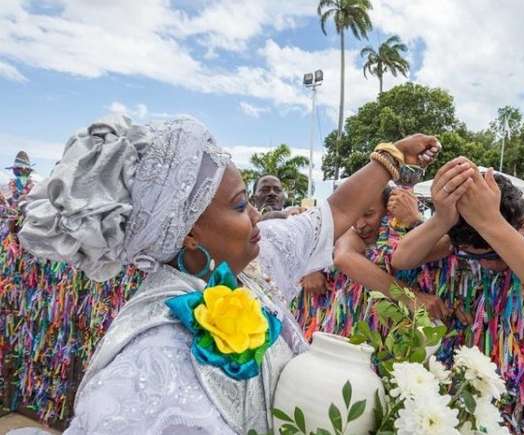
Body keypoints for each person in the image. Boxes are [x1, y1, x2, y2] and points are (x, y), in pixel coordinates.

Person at [19, 115, 439, 434]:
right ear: (187, 232)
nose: (258, 214)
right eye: (240, 206)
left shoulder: (254, 265)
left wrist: (393, 155)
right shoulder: (149, 364)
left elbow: (337, 211)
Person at [392, 159, 524, 327]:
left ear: (520, 226)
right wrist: (442, 219)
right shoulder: (468, 231)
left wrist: (492, 223)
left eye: (493, 254)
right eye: (474, 256)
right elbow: (402, 259)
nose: (488, 265)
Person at [330, 185, 450, 319]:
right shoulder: (350, 235)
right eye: (354, 216)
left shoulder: (411, 232)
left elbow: (446, 245)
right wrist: (410, 297)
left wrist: (415, 221)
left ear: (389, 211)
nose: (359, 225)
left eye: (368, 214)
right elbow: (343, 258)